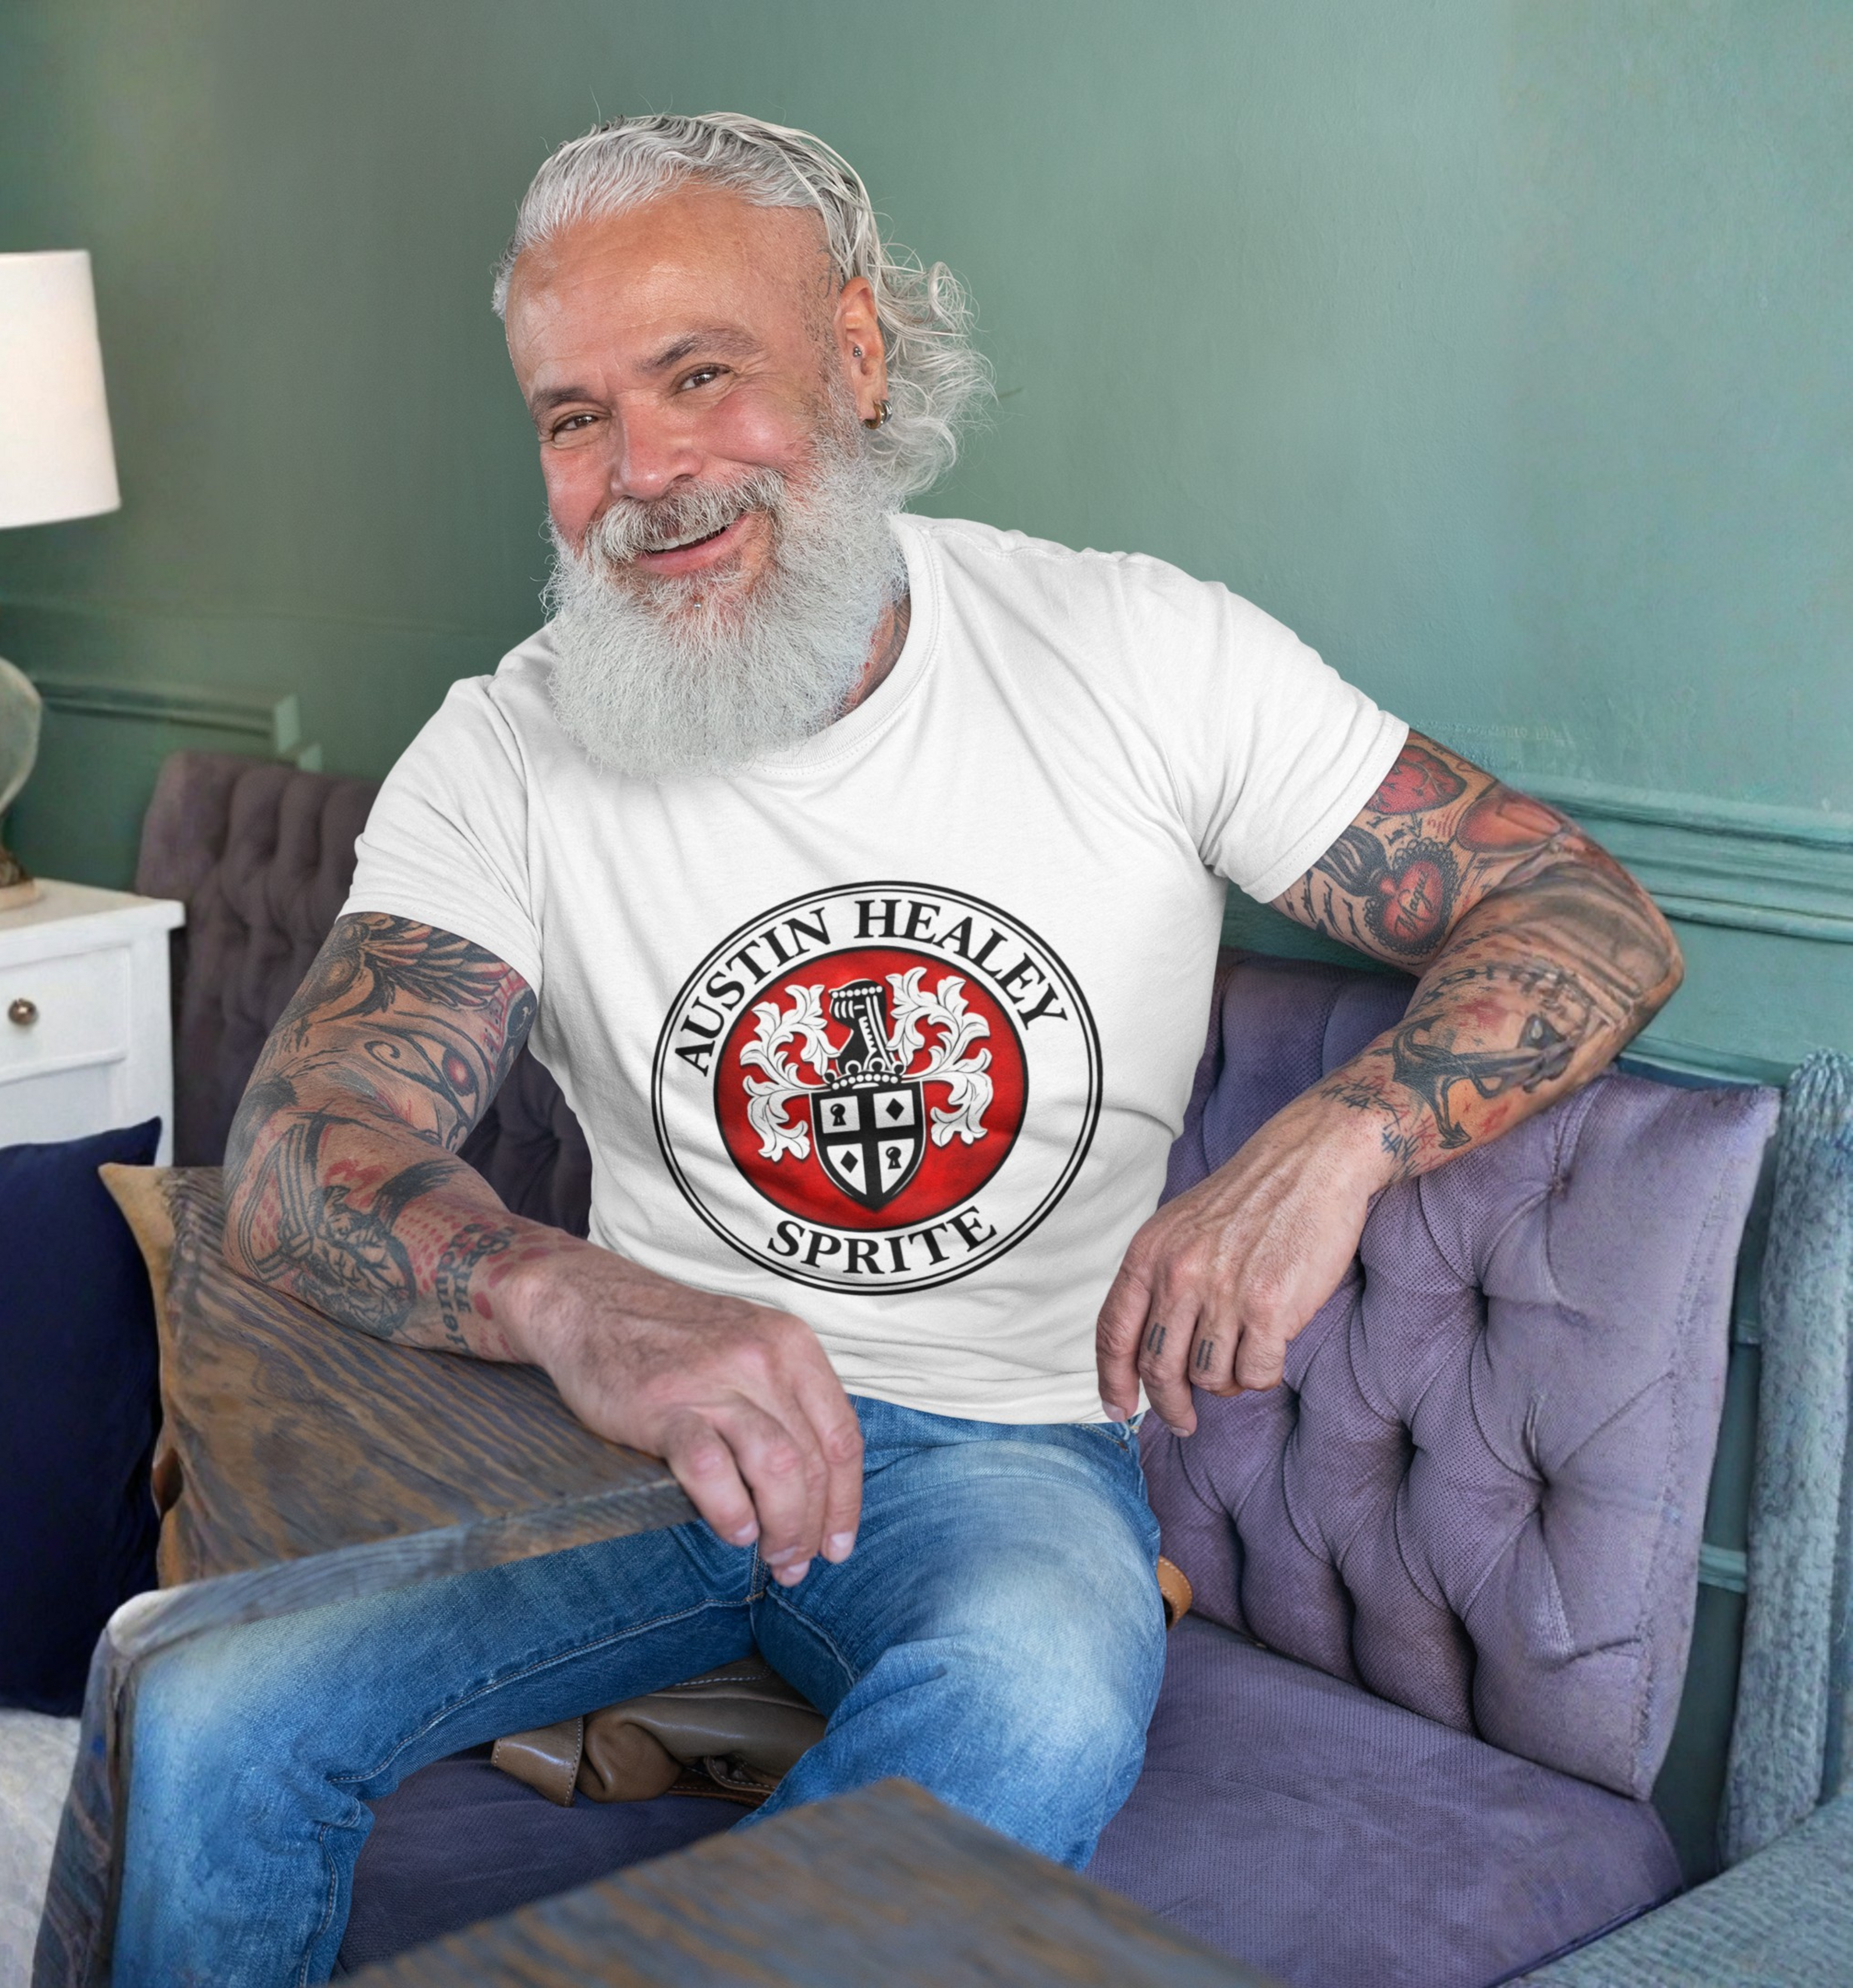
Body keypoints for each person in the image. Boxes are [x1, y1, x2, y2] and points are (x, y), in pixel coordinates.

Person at [110, 113, 1682, 1981]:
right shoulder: (511, 743)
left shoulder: (1136, 653)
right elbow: (307, 1139)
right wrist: (585, 1310)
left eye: (704, 376)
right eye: (573, 417)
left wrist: (1337, 1138)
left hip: (1002, 1455)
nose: (644, 472)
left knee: (1030, 1701)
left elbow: (1587, 916)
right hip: (622, 1434)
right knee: (204, 1706)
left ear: (856, 356)